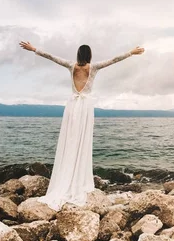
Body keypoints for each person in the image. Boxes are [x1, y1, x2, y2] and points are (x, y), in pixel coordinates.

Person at [18, 40, 145, 210]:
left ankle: (66, 177)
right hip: (85, 107)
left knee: (70, 138)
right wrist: (131, 52)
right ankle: (77, 179)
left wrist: (34, 49)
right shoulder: (94, 67)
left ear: (78, 55)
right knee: (81, 140)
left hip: (72, 106)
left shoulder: (72, 66)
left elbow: (52, 57)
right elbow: (114, 59)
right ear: (89, 55)